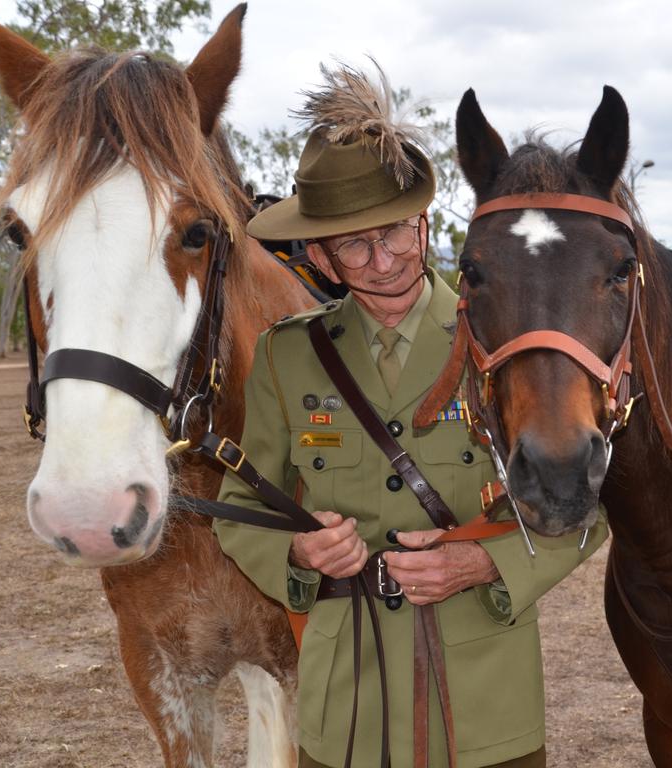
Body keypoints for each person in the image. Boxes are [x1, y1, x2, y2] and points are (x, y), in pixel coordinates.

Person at [213, 62, 607, 768]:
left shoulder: (509, 339)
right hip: (345, 711)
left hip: (485, 707)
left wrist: (485, 562)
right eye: (354, 245)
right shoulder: (285, 359)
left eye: (395, 232)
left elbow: (590, 506)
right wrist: (296, 552)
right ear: (323, 259)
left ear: (424, 224)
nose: (383, 259)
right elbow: (240, 504)